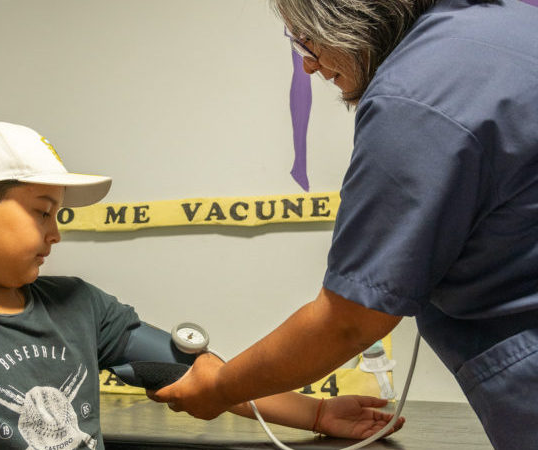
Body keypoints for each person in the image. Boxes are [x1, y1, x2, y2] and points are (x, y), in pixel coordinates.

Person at [0, 120, 403, 450]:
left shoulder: (79, 304)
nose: (57, 232)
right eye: (42, 210)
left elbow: (201, 375)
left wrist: (314, 414)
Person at [150, 1, 538, 449]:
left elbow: (348, 321)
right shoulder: (511, 25)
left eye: (306, 39)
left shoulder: (413, 97)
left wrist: (220, 389)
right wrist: (311, 410)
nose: (309, 64)